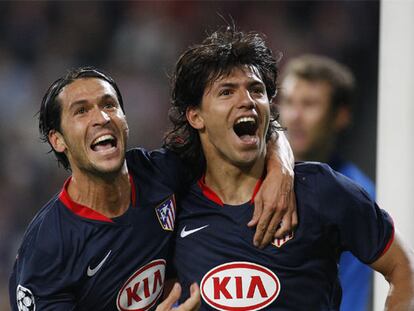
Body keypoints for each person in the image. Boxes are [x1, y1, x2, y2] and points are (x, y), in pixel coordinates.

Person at [165, 27, 414, 310]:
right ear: (196, 116)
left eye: (256, 90)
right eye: (227, 91)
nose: (246, 100)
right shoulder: (172, 206)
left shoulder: (321, 189)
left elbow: (404, 268)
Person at [9, 67, 295, 310]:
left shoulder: (160, 172)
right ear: (58, 140)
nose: (102, 118)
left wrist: (281, 167)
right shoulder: (47, 250)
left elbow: (241, 129)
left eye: (109, 105)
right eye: (81, 111)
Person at [278, 54, 375, 310]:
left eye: (309, 104)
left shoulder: (358, 196)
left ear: (340, 116)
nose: (295, 116)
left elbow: (350, 296)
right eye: (288, 102)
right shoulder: (246, 175)